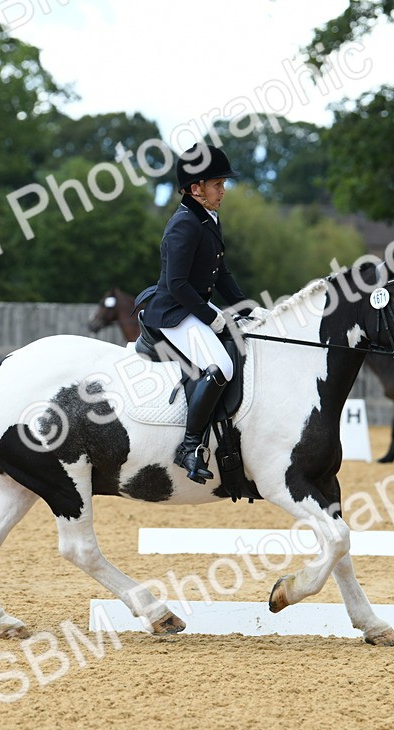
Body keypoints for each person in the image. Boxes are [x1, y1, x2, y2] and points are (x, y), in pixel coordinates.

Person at [141, 143, 256, 484]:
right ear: (196, 189)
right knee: (221, 365)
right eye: (218, 184)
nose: (224, 190)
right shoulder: (184, 225)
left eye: (223, 183)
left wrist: (246, 306)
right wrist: (213, 317)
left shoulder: (207, 219)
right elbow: (177, 285)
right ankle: (190, 447)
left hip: (193, 308)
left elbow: (220, 274)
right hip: (175, 313)